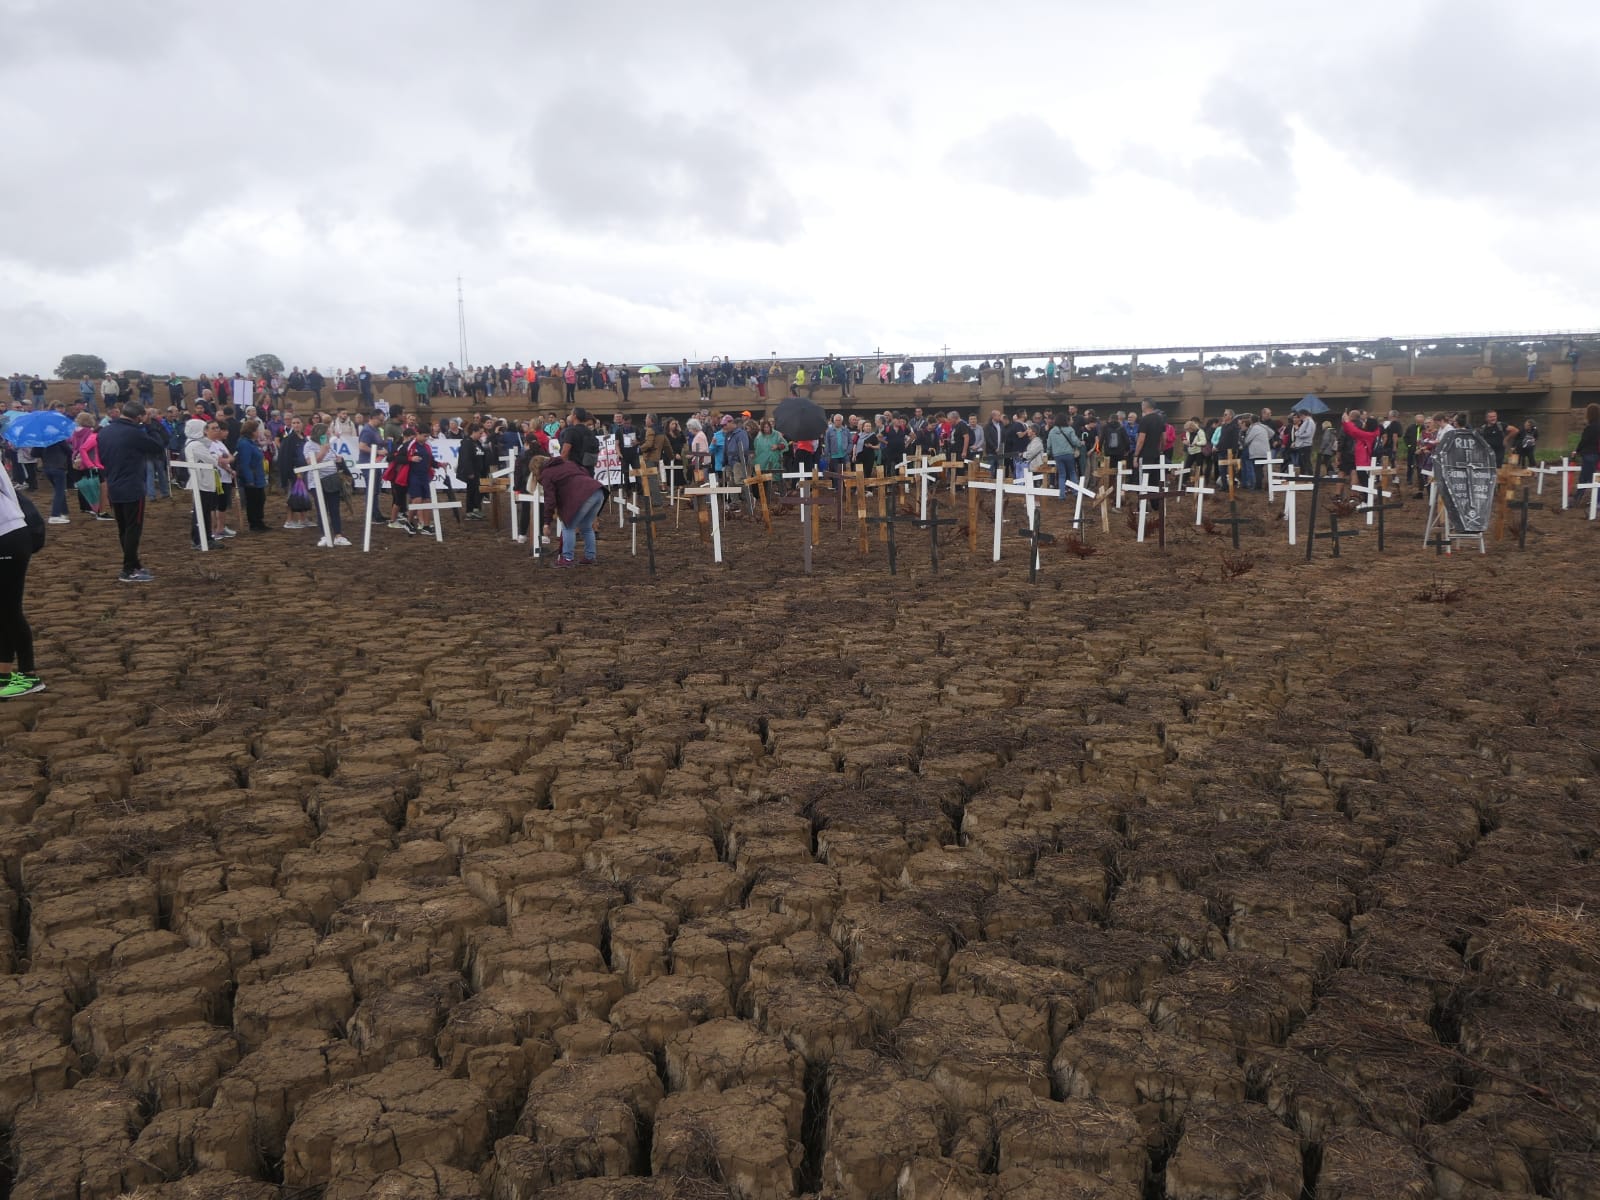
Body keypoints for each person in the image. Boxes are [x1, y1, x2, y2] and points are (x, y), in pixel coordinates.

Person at [97, 400, 171, 581]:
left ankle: (133, 563)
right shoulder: (133, 433)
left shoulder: (105, 431)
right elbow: (158, 446)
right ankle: (128, 568)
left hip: (114, 485)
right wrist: (151, 425)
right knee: (133, 529)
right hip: (132, 486)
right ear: (138, 417)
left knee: (123, 528)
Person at [0, 463, 43, 697]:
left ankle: (29, 676)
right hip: (10, 534)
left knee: (9, 611)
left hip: (8, 537)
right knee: (3, 612)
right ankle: (4, 674)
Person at [532, 454, 604, 566]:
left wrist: (546, 523)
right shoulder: (567, 463)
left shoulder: (546, 474)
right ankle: (590, 556)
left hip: (584, 496)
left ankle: (567, 558)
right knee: (586, 526)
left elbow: (550, 500)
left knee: (568, 526)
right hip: (598, 491)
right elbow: (584, 472)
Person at [182, 418, 225, 548]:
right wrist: (217, 457)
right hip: (202, 482)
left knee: (204, 511)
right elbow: (212, 460)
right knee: (201, 512)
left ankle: (205, 537)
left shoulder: (194, 443)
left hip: (203, 481)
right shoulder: (196, 445)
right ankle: (200, 539)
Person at [302, 430, 349, 546]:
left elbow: (333, 457)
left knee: (334, 509)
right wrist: (323, 451)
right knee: (321, 509)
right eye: (325, 433)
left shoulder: (328, 445)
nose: (328, 435)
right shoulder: (309, 445)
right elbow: (310, 462)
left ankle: (338, 535)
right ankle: (325, 535)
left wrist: (338, 460)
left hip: (332, 480)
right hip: (317, 481)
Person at [235, 419, 270, 532]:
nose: (259, 432)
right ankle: (254, 523)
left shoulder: (251, 442)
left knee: (260, 499)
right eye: (257, 430)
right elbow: (245, 463)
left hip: (258, 475)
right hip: (252, 478)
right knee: (253, 500)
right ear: (252, 431)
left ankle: (259, 521)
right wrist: (249, 479)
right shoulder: (244, 444)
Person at [1133, 399, 1167, 486]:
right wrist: (1161, 450)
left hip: (1145, 454)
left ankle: (1142, 499)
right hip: (1155, 453)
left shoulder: (1144, 420)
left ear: (1144, 406)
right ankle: (1154, 499)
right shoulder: (1160, 419)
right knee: (1154, 480)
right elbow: (1163, 438)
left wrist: (1136, 455)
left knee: (1142, 479)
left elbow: (1141, 440)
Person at [1047, 417, 1081, 495]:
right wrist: (1079, 444)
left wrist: (1049, 453)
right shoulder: (1070, 429)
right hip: (1069, 454)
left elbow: (1049, 445)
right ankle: (1075, 492)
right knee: (1072, 472)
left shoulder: (1052, 431)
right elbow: (1075, 441)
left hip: (1057, 455)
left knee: (1062, 474)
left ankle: (1062, 494)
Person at [1576, 403, 1600, 487]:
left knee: (1585, 478)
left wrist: (1577, 451)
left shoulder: (1590, 428)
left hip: (1589, 454)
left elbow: (1584, 441)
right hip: (1597, 454)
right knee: (1595, 476)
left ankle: (1578, 498)